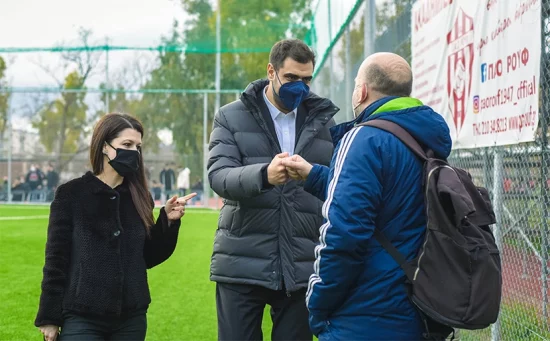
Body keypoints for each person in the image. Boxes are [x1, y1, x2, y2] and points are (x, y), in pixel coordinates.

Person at [281, 52, 453, 340]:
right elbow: (391, 200)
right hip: (418, 307)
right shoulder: (426, 138)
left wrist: (317, 302)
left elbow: (345, 233)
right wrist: (315, 175)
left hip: (364, 315)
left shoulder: (363, 139)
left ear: (361, 90)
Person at [207, 38, 338, 341]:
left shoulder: (325, 122)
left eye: (307, 79)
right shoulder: (230, 116)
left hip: (301, 264)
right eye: (291, 78)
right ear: (271, 71)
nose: (300, 87)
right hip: (241, 263)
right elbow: (219, 176)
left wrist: (313, 175)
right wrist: (264, 175)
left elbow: (340, 182)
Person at [35, 113, 196, 341]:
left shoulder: (140, 197)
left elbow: (147, 257)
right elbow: (56, 259)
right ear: (104, 146)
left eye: (138, 146)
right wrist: (49, 317)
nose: (134, 152)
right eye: (127, 144)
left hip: (131, 319)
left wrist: (167, 222)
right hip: (82, 316)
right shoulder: (71, 194)